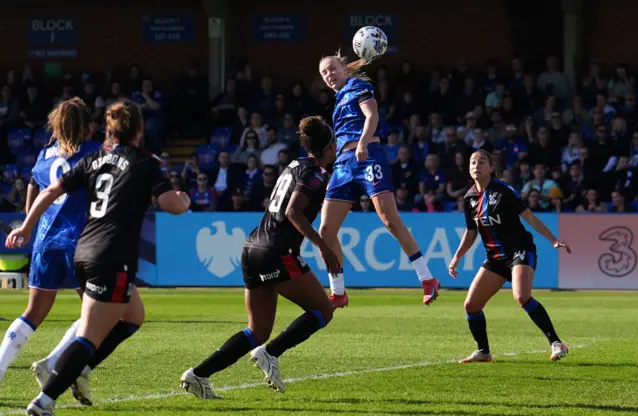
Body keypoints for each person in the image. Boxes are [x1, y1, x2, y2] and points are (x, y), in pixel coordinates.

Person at [5, 99, 190, 416]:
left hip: (81, 248)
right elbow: (172, 205)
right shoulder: (144, 161)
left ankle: (67, 367)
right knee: (92, 333)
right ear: (141, 129)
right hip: (109, 252)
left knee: (132, 317)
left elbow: (47, 191)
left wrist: (26, 226)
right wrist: (183, 200)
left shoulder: (93, 159)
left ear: (109, 130)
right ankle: (47, 397)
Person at [180, 116, 339, 398]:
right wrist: (323, 247)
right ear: (328, 146)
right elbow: (292, 212)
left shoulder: (294, 165)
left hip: (252, 247)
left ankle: (198, 374)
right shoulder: (315, 175)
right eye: (335, 144)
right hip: (278, 252)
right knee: (323, 311)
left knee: (257, 330)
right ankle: (271, 353)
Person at [317, 52, 440, 308]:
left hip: (368, 156)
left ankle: (427, 279)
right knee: (325, 231)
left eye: (331, 69)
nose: (328, 75)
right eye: (324, 73)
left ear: (344, 69)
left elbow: (371, 116)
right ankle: (338, 292)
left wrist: (362, 142)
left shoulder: (359, 86)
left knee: (390, 221)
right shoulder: (339, 99)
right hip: (343, 164)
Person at [0, 98, 100, 394]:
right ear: (85, 125)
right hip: (78, 241)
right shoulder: (94, 152)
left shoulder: (45, 154)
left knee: (32, 313)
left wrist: (27, 224)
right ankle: (54, 361)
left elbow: (33, 182)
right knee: (97, 312)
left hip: (45, 240)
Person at [449, 149, 571, 363]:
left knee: (521, 296)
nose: (476, 165)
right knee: (471, 306)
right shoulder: (469, 198)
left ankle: (556, 343)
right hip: (495, 258)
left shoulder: (504, 190)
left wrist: (553, 240)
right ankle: (483, 352)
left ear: (491, 168)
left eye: (481, 161)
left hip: (519, 251)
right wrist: (457, 257)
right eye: (472, 162)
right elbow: (471, 233)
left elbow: (529, 218)